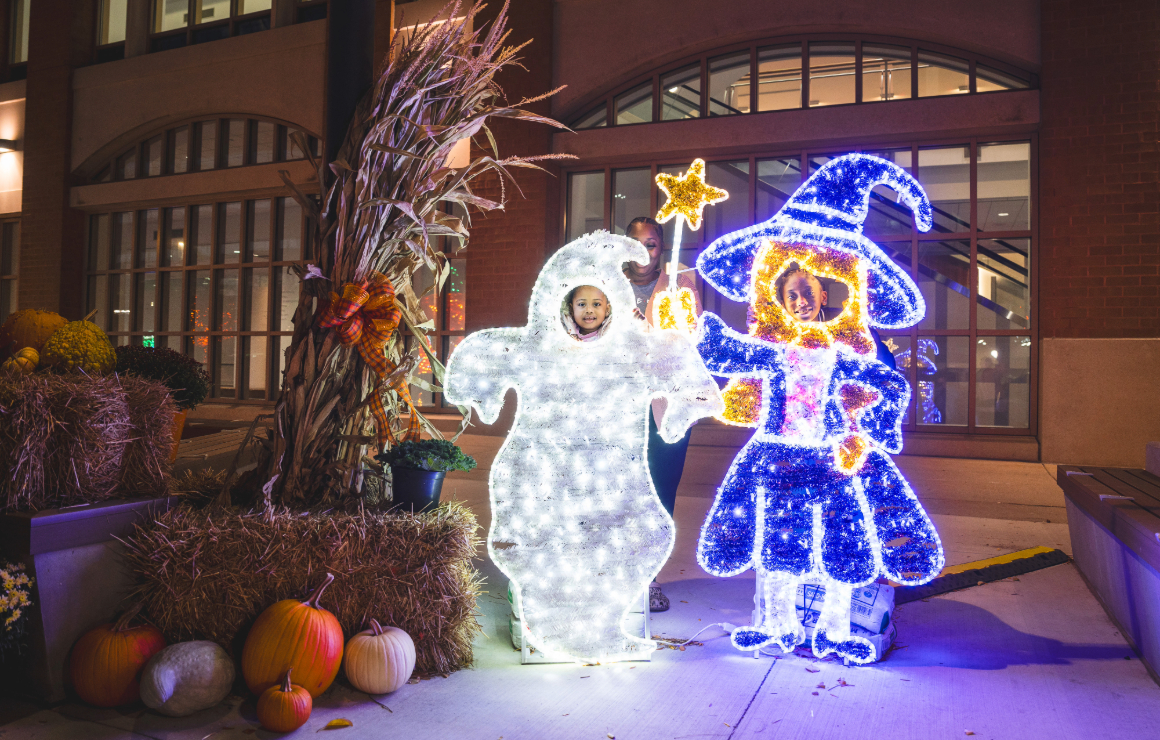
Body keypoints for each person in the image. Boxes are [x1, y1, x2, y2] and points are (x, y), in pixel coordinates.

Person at [623, 216, 702, 612]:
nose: (644, 252)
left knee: (659, 490)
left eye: (651, 244)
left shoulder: (680, 280)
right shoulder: (606, 282)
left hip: (667, 402)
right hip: (618, 403)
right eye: (636, 243)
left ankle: (650, 576)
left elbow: (688, 331)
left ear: (662, 247)